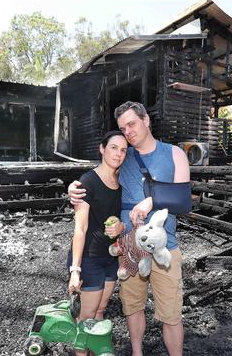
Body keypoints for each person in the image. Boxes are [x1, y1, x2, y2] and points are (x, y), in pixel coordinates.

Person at [69, 101, 190, 356]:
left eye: (132, 124)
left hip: (165, 248)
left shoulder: (174, 154)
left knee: (171, 314)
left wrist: (152, 200)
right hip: (129, 249)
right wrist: (74, 188)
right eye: (123, 128)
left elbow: (183, 201)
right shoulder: (123, 155)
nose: (128, 132)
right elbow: (99, 177)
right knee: (133, 307)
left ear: (146, 120)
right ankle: (137, 352)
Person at [66, 130, 127, 356]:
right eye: (113, 147)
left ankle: (94, 351)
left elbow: (124, 217)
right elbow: (80, 228)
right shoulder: (87, 182)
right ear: (102, 149)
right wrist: (75, 269)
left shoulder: (122, 183)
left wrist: (121, 226)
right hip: (89, 259)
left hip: (110, 258)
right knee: (86, 317)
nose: (118, 154)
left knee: (100, 311)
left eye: (123, 150)